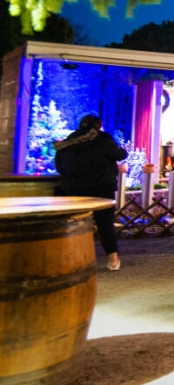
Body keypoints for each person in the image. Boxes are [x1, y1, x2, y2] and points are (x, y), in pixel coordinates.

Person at [53, 114, 127, 271]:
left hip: (74, 189)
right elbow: (121, 155)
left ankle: (71, 260)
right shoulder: (104, 140)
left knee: (74, 223)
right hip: (102, 188)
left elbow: (59, 167)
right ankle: (113, 260)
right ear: (98, 126)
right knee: (105, 224)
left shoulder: (67, 143)